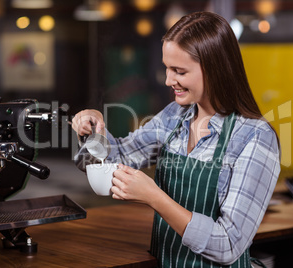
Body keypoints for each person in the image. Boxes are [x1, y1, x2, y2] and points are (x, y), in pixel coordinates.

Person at [72, 11, 280, 268]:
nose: (169, 80)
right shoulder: (174, 116)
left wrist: (155, 197)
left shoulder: (255, 137)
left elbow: (227, 245)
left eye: (179, 71)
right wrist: (94, 132)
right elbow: (119, 158)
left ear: (214, 69)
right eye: (167, 68)